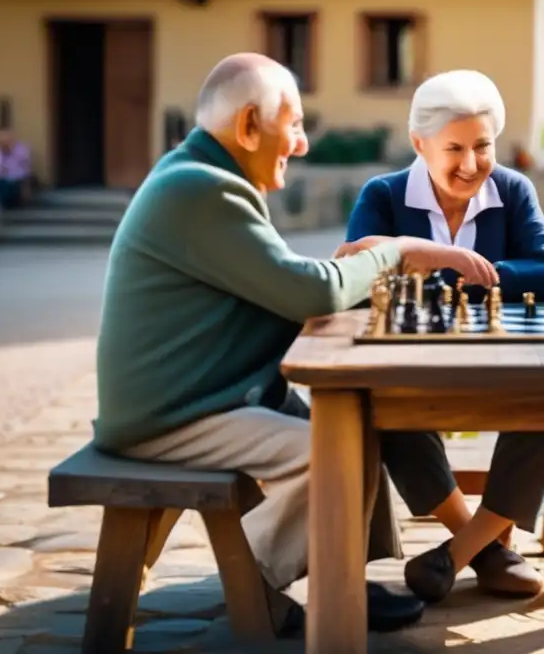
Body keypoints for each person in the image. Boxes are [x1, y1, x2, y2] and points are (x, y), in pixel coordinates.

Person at [94, 53, 501, 636]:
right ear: (249, 126)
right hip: (173, 414)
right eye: (295, 124)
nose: (304, 144)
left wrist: (337, 274)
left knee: (353, 427)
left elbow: (279, 282)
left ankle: (341, 576)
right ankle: (259, 580)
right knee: (332, 448)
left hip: (198, 394)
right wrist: (399, 252)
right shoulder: (201, 190)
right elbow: (308, 295)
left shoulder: (202, 179)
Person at [340, 69, 544, 604]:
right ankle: (487, 550)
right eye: (454, 149)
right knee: (379, 401)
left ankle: (457, 552)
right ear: (420, 144)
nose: (471, 165)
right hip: (419, 367)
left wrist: (448, 274)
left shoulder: (512, 190)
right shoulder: (384, 194)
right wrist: (453, 263)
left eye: (483, 147)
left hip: (505, 367)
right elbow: (353, 270)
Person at [0, 129, 32, 210]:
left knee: (13, 183)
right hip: (1, 182)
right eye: (2, 142)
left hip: (17, 181)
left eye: (7, 141)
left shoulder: (20, 152)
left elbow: (25, 169)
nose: (5, 144)